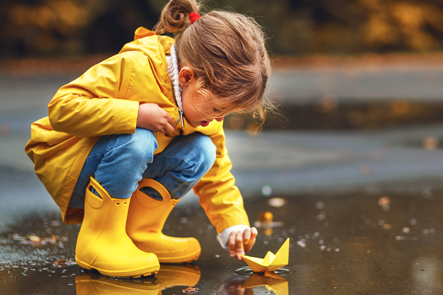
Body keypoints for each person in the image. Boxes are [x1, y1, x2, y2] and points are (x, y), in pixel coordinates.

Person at [25, 0, 271, 278]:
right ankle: (99, 239)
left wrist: (232, 224)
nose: (217, 118)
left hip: (119, 166)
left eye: (225, 112)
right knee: (139, 138)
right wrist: (135, 114)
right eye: (216, 108)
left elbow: (217, 172)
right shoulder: (134, 67)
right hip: (69, 160)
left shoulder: (202, 105)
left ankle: (138, 233)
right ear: (186, 77)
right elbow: (61, 109)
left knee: (204, 149)